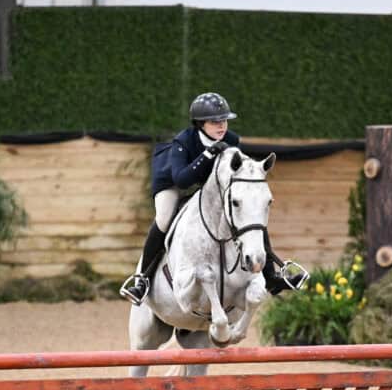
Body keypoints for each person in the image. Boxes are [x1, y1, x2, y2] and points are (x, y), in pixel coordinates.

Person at [120, 92, 308, 305]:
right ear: (200, 124)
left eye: (224, 120)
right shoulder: (183, 141)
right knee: (164, 218)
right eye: (214, 121)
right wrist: (208, 153)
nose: (221, 126)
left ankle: (271, 277)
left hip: (205, 186)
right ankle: (142, 279)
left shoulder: (232, 140)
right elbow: (182, 180)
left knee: (248, 216)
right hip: (171, 182)